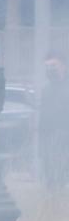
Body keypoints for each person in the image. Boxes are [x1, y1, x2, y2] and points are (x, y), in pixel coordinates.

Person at [39, 51, 68, 190]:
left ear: (64, 66)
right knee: (51, 173)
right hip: (50, 137)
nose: (50, 70)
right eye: (47, 66)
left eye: (53, 65)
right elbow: (44, 116)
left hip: (64, 136)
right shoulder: (46, 90)